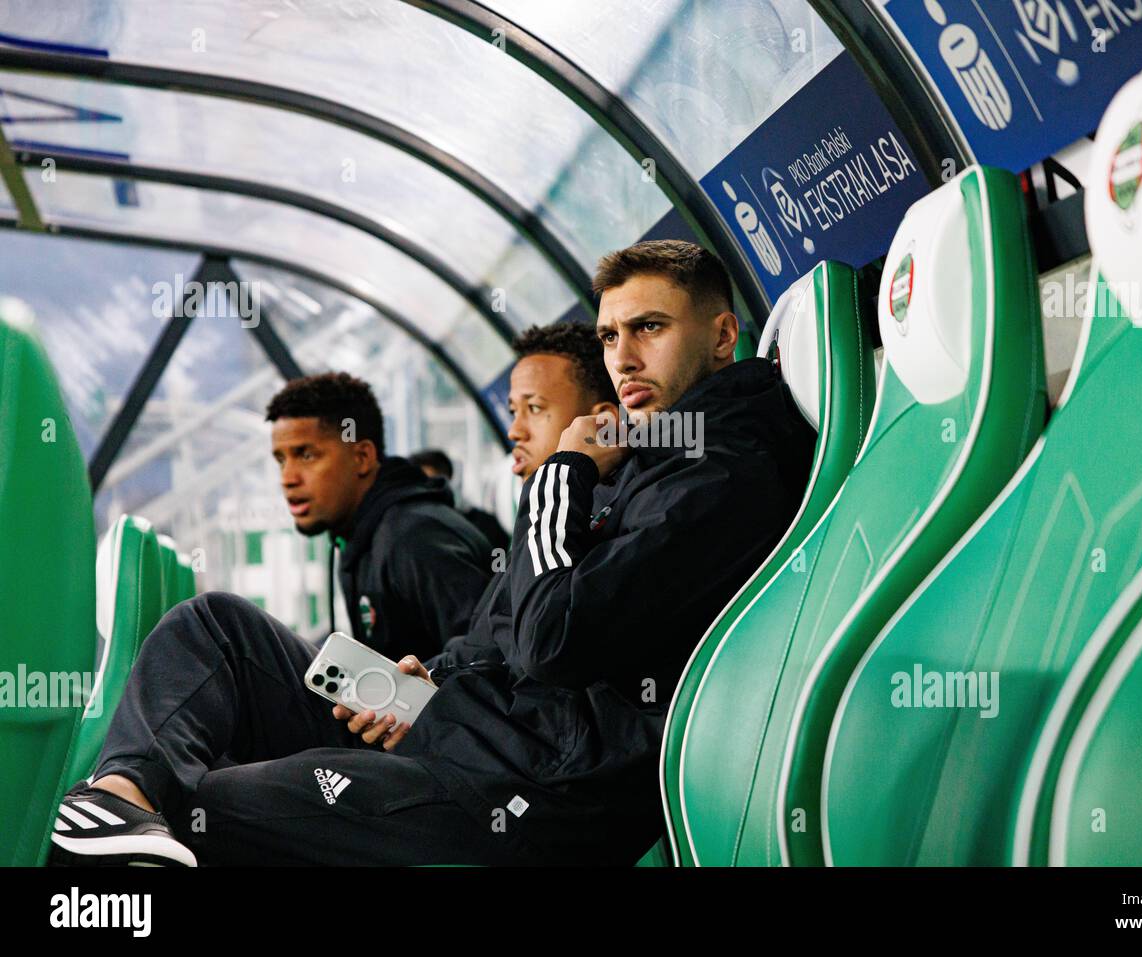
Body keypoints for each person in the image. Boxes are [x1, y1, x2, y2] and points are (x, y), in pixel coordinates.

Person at [47, 242, 814, 867]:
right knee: (214, 628)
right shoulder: (653, 460)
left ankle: (134, 817)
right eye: (611, 335)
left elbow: (550, 638)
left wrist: (562, 475)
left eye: (649, 327)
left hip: (522, 790)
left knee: (203, 807)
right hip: (464, 730)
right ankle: (122, 796)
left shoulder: (718, 472)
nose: (624, 355)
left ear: (722, 336)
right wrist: (435, 677)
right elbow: (514, 635)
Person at [266, 373, 491, 662]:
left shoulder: (415, 537)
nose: (288, 478)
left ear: (361, 457)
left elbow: (487, 661)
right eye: (281, 460)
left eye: (306, 455)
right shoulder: (359, 535)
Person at [409, 448, 511, 555]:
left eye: (429, 484)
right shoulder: (411, 531)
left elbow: (499, 565)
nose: (422, 492)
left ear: (448, 481)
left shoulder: (485, 526)